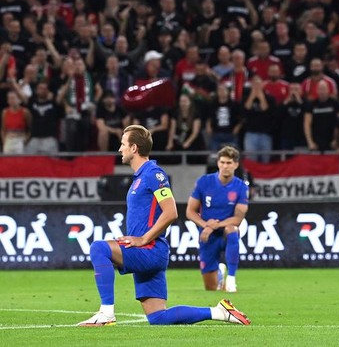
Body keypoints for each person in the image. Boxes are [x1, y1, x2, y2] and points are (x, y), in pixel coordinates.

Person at [78, 125, 250, 327]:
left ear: (134, 148)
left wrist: (144, 238)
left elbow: (171, 212)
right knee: (159, 318)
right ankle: (220, 312)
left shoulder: (153, 174)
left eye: (123, 144)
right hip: (149, 252)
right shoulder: (140, 177)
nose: (120, 149)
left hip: (149, 250)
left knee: (99, 248)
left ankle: (106, 313)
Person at [185, 146, 249, 293]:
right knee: (211, 288)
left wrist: (215, 225)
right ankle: (219, 274)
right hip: (207, 235)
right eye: (222, 162)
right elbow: (190, 211)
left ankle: (231, 279)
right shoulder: (204, 182)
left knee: (233, 229)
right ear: (218, 163)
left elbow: (238, 219)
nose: (225, 166)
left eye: (229, 163)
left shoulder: (240, 187)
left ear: (236, 164)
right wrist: (205, 225)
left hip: (226, 231)